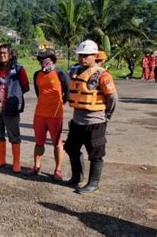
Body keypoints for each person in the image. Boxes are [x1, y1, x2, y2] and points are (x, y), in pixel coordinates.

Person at [65, 39, 117, 195]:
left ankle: (94, 183)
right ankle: (77, 177)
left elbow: (112, 98)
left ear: (95, 56)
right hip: (77, 119)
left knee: (96, 153)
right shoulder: (76, 72)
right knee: (71, 148)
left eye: (87, 55)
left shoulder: (102, 75)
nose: (83, 58)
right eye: (81, 55)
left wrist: (106, 115)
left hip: (95, 121)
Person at [26, 49, 69, 181]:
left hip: (55, 114)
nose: (44, 62)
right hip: (39, 113)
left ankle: (58, 170)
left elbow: (68, 92)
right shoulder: (37, 74)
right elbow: (39, 93)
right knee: (39, 142)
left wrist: (61, 105)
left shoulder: (60, 73)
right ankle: (37, 166)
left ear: (53, 60)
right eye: (41, 60)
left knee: (57, 143)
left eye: (47, 59)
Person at [0, 44, 29, 173]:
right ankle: (1, 159)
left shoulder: (19, 69)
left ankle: (16, 163)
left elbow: (25, 86)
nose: (2, 55)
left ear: (10, 54)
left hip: (11, 108)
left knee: (14, 136)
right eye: (0, 53)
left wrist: (14, 94)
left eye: (5, 53)